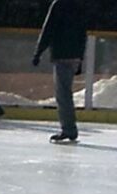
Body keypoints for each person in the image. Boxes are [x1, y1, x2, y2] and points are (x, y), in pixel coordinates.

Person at [32, 0, 87, 144]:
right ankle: (69, 128)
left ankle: (69, 129)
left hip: (62, 54)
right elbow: (83, 33)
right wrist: (80, 57)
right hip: (74, 54)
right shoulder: (79, 5)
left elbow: (48, 28)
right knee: (65, 92)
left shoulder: (59, 4)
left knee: (63, 94)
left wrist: (38, 52)